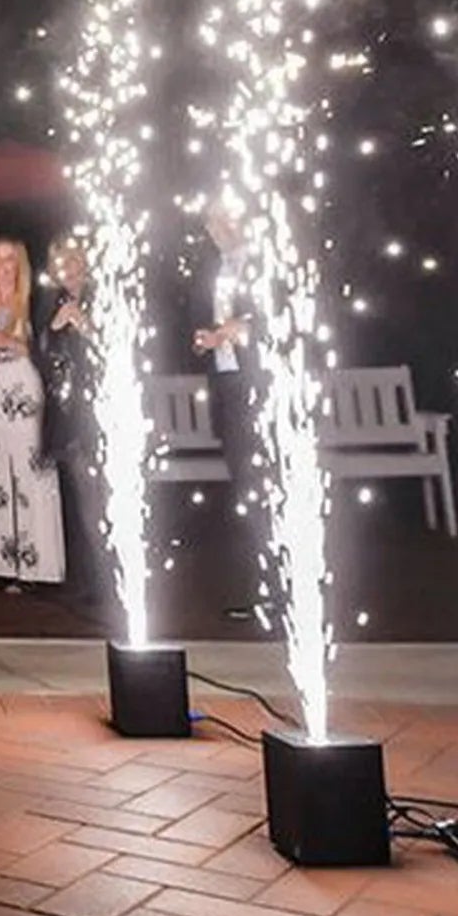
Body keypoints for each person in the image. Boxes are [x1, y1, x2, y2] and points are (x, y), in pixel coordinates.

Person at [0, 237, 66, 590]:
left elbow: (46, 350)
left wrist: (6, 340)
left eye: (9, 259)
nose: (2, 266)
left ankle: (36, 566)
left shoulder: (35, 301)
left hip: (23, 392)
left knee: (29, 475)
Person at [193, 197, 264, 617]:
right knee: (244, 486)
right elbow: (206, 319)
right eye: (210, 222)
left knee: (260, 483)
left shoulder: (261, 260)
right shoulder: (215, 270)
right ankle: (256, 587)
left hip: (258, 384)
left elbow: (285, 314)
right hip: (227, 383)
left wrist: (245, 328)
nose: (217, 228)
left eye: (223, 219)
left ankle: (275, 587)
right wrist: (205, 338)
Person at [40, 235, 107, 610]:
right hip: (68, 416)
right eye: (61, 264)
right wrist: (54, 325)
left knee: (102, 496)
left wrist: (85, 326)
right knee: (82, 498)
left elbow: (116, 347)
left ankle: (109, 576)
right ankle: (90, 578)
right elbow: (42, 353)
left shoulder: (103, 296)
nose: (69, 269)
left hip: (101, 409)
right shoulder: (51, 302)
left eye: (75, 261)